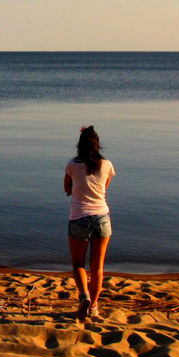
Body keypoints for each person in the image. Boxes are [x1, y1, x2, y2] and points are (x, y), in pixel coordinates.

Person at [64, 126, 115, 320]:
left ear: (80, 145)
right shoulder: (106, 165)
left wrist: (75, 190)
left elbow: (66, 187)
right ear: (97, 145)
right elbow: (103, 189)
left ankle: (83, 295)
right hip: (102, 218)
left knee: (78, 264)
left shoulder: (72, 165)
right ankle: (93, 306)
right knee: (97, 267)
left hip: (79, 217)